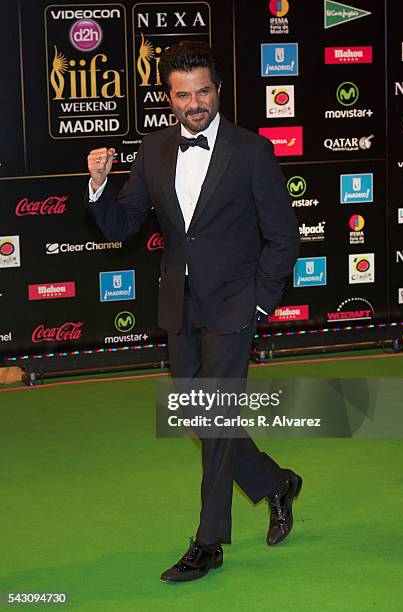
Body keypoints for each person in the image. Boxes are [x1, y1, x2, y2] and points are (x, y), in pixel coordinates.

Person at [86, 41, 301, 583]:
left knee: (217, 415)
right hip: (179, 306)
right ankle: (276, 484)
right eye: (184, 94)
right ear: (169, 97)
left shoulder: (251, 150)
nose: (195, 102)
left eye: (203, 90)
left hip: (234, 305)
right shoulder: (154, 150)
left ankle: (209, 542)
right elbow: (120, 225)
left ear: (218, 89)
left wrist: (258, 299)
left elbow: (283, 236)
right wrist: (98, 186)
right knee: (196, 416)